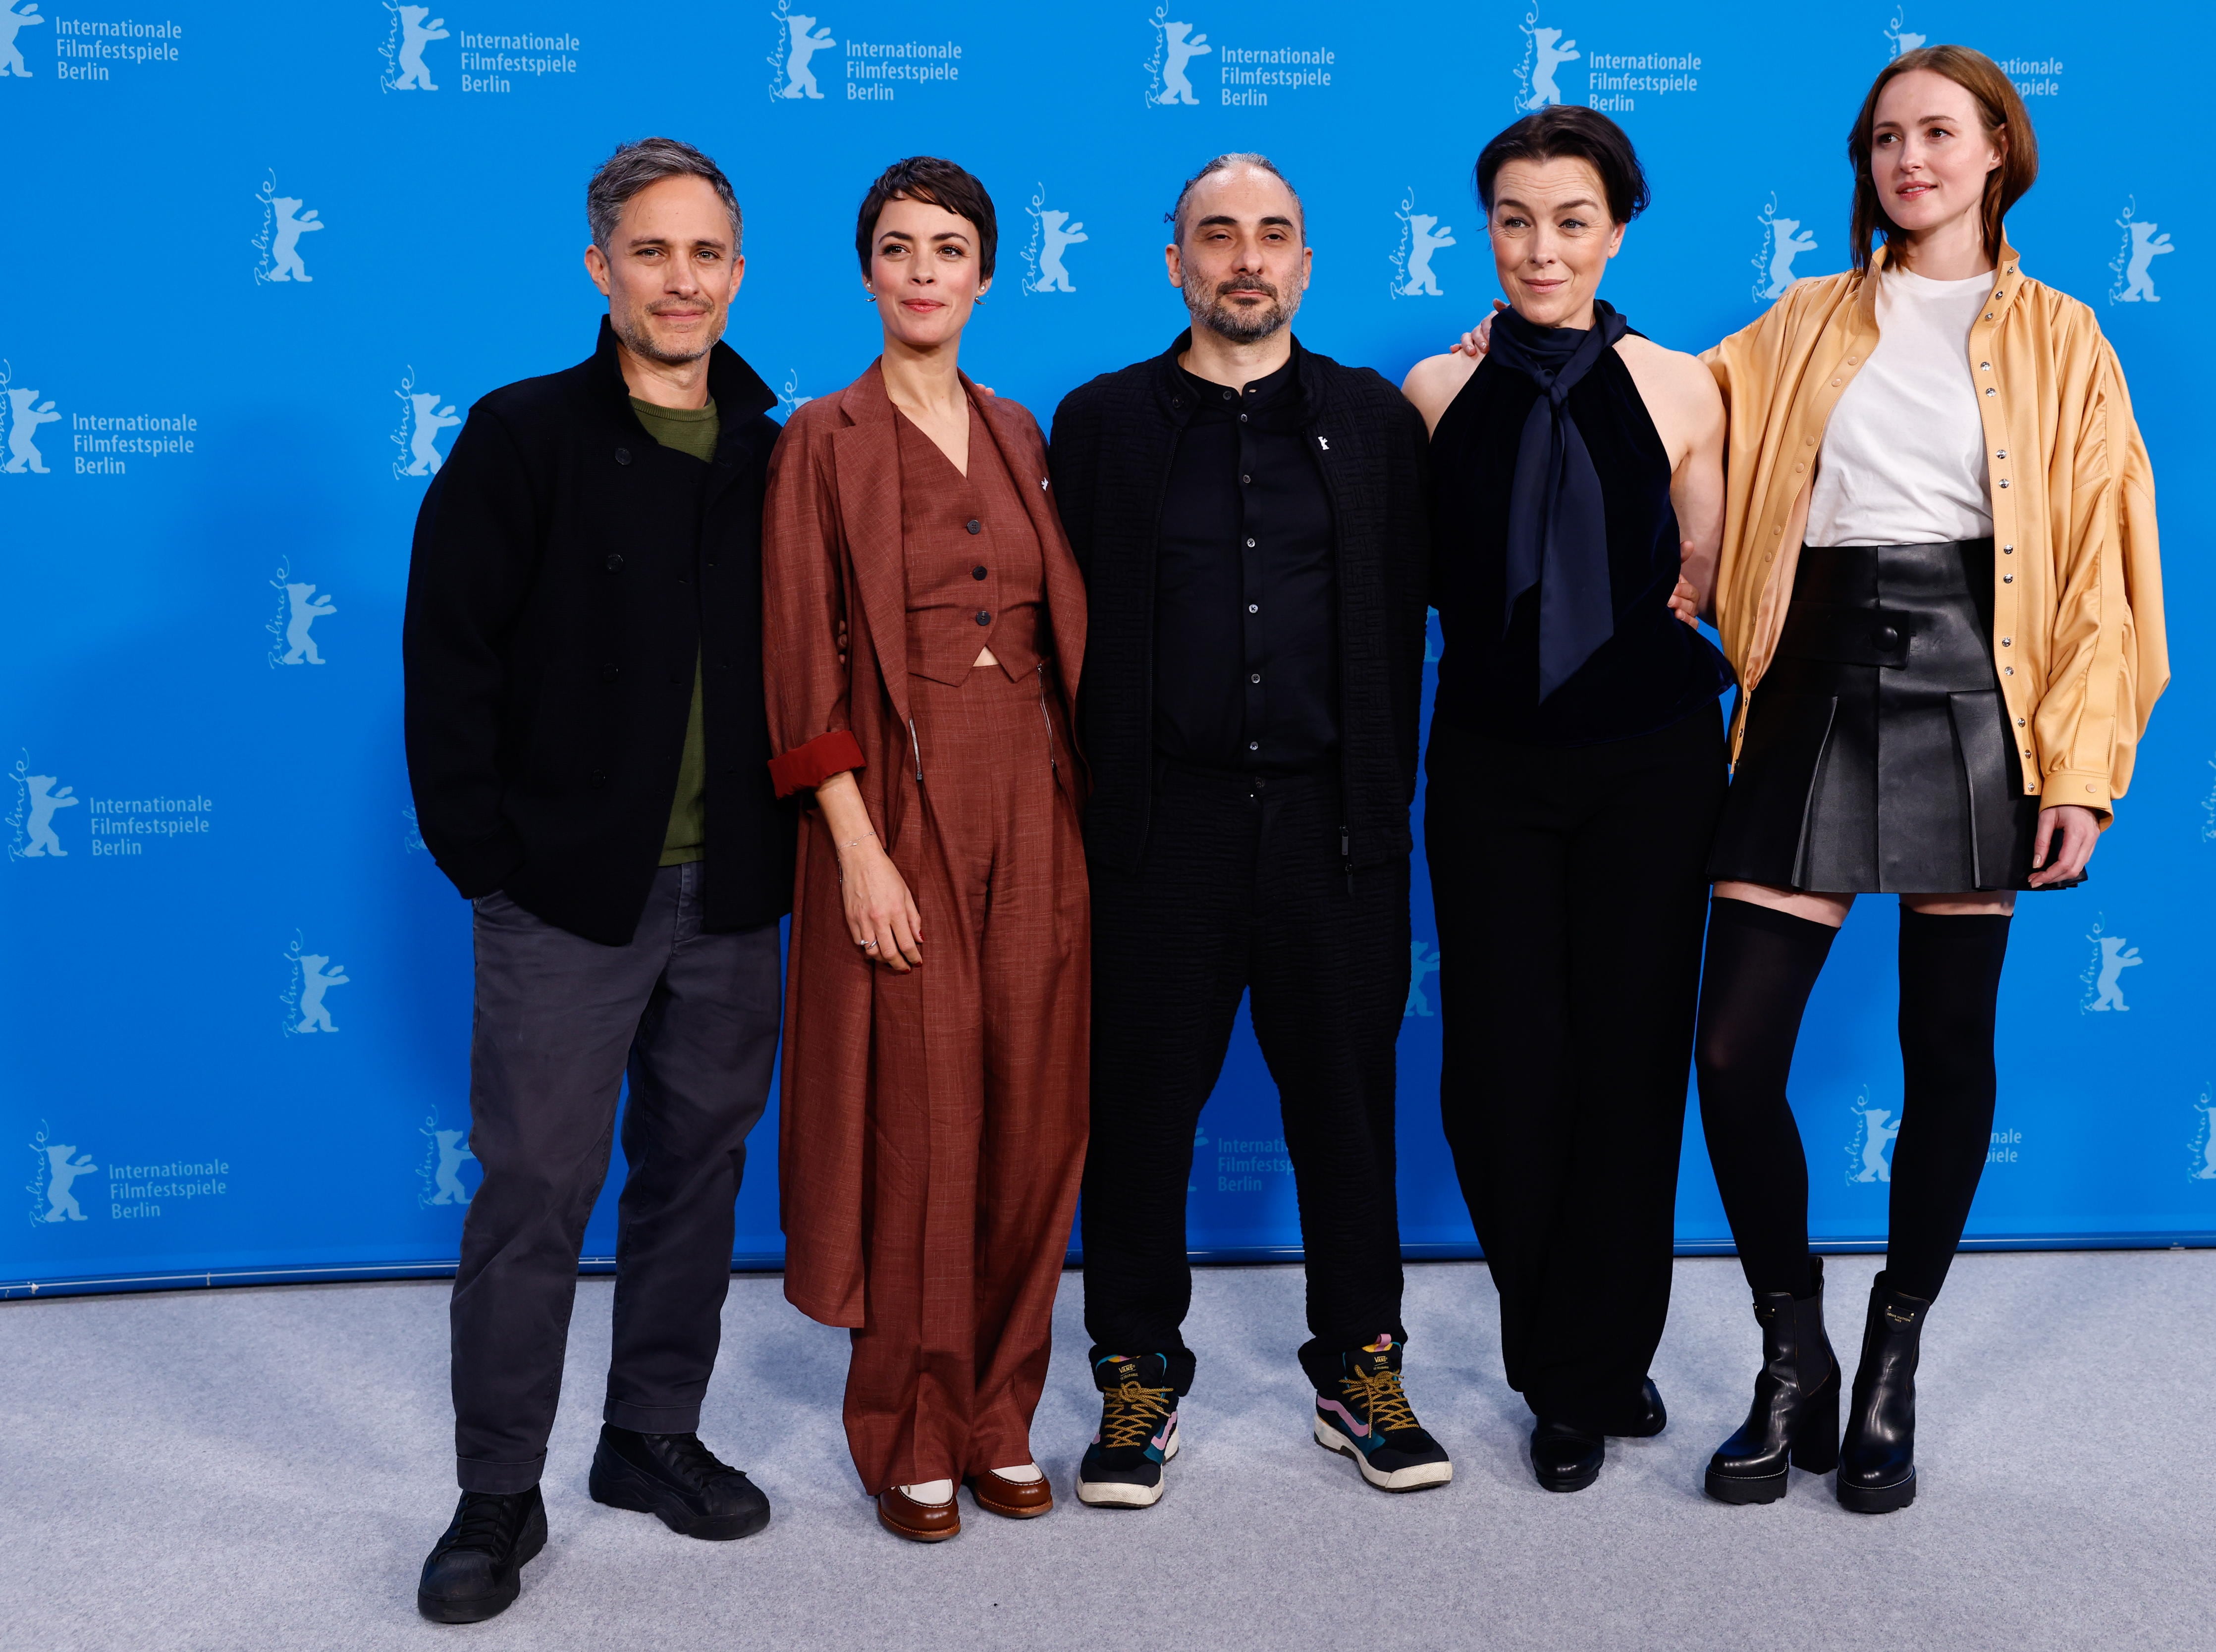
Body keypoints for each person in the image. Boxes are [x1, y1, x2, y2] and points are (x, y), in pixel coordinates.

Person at [1693, 46, 2167, 1513]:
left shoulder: (2067, 338)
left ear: (1997, 154)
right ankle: (1794, 1354)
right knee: (1731, 1056)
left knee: (1947, 1049)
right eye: (1887, 138)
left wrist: (2081, 769)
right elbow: (1672, 417)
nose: (1911, 159)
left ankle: (1896, 1348)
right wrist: (1520, 344)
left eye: (1939, 134)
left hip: (1982, 686)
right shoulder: (1802, 322)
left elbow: (2103, 565)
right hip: (1813, 679)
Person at [401, 137, 790, 1624]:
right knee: (536, 1191)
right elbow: (449, 659)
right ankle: (498, 1490)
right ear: (600, 269)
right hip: (566, 895)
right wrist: (488, 858)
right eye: (651, 252)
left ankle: (649, 1437)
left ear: (736, 274)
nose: (680, 280)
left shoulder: (779, 443)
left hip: (734, 890)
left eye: (705, 255)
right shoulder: (523, 436)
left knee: (697, 1178)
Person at [1049, 153, 1441, 1507]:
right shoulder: (1099, 425)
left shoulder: (1378, 425)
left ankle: (1359, 1364)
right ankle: (1137, 1369)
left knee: (1347, 1108)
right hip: (1163, 830)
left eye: (1273, 234)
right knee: (1141, 1111)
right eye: (1218, 235)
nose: (1246, 258)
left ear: (1308, 263)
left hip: (1337, 830)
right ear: (1175, 262)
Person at [1401, 107, 1733, 1494]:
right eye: (1517, 220)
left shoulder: (1686, 386)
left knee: (1630, 1063)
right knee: (1497, 1074)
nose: (1543, 248)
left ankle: (1588, 1371)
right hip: (1488, 760)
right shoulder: (1429, 388)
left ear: (1619, 227)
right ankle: (1563, 1346)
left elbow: (1704, 565)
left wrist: (1703, 570)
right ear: (1488, 230)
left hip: (1650, 758)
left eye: (1573, 220)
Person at [761, 156, 1091, 1544]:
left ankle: (1003, 1413)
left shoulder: (1020, 430)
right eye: (896, 248)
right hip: (896, 803)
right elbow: (797, 661)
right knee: (924, 1129)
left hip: (1042, 797)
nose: (921, 270)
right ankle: (907, 1421)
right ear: (866, 272)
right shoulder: (819, 440)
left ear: (986, 274)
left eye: (948, 248)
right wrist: (855, 850)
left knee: (1032, 1123)